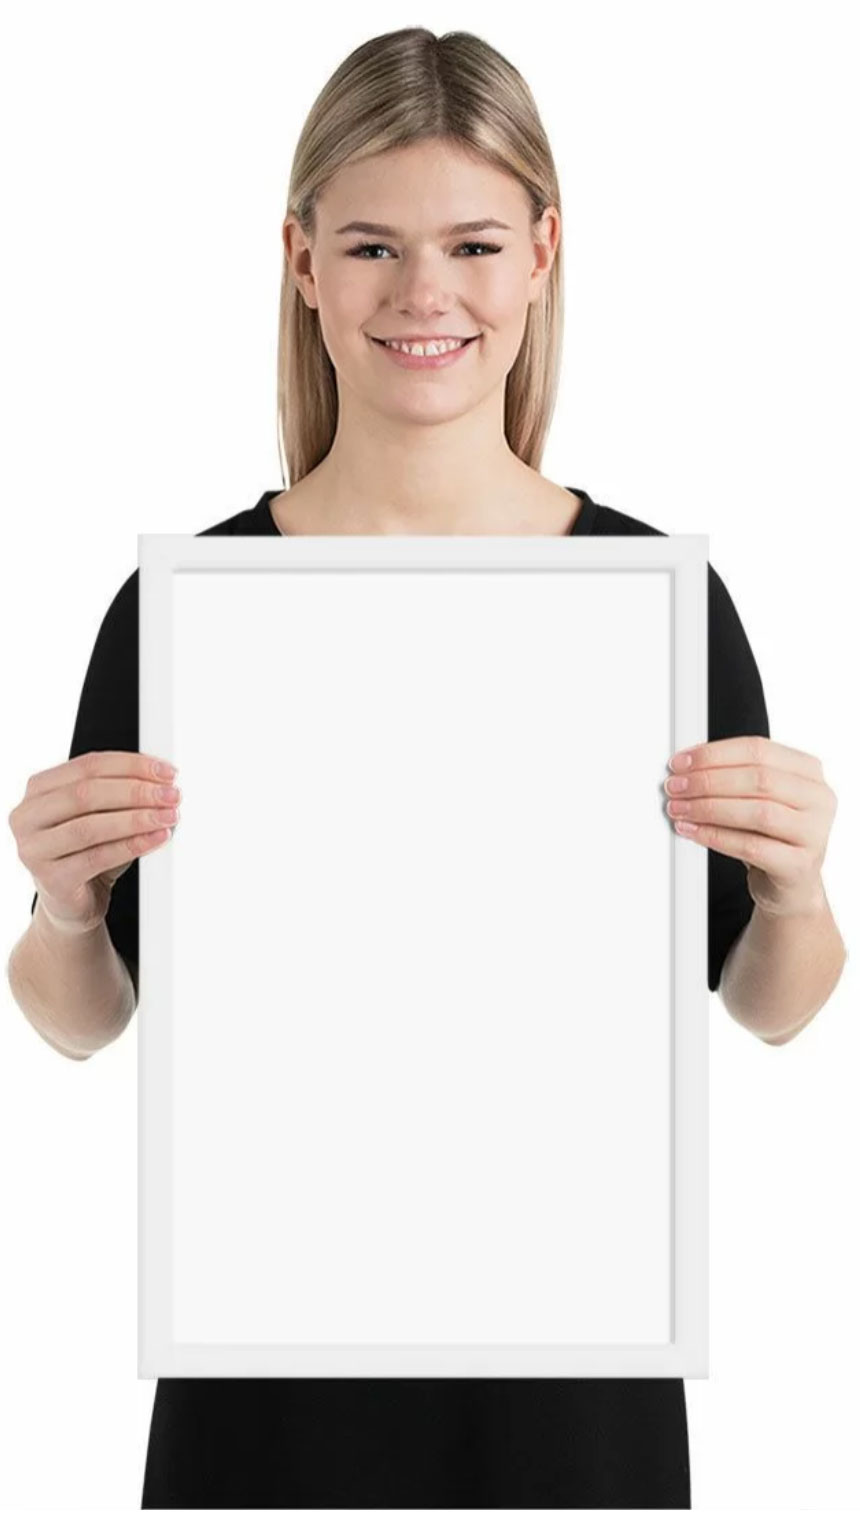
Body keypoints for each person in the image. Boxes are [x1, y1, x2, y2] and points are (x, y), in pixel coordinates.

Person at [6, 25, 846, 1512]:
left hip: (578, 1368)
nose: (424, 294)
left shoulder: (652, 602)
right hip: (264, 1361)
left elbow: (769, 1006)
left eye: (471, 244)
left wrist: (795, 891)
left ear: (542, 253)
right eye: (372, 247)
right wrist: (64, 908)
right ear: (301, 261)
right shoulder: (189, 610)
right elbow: (86, 1021)